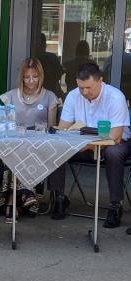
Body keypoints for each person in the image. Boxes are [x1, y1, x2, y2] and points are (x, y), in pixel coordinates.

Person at [48, 62, 131, 228]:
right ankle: (58, 198)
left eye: (88, 87)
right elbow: (64, 127)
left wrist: (89, 144)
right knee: (56, 147)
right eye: (81, 88)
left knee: (113, 154)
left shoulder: (115, 97)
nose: (84, 92)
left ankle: (115, 205)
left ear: (100, 81)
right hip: (82, 144)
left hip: (115, 143)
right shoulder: (73, 95)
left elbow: (115, 136)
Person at [0, 58, 58, 223]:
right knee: (12, 152)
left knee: (26, 151)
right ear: (21, 78)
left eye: (35, 77)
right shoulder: (9, 97)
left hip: (37, 143)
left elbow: (51, 128)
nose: (31, 81)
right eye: (27, 77)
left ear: (41, 76)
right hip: (14, 141)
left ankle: (12, 202)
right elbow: (4, 124)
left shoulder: (50, 97)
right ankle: (22, 197)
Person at [35, 33, 64, 99]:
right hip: (52, 91)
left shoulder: (32, 57)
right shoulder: (52, 57)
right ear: (44, 45)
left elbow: (59, 74)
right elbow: (59, 74)